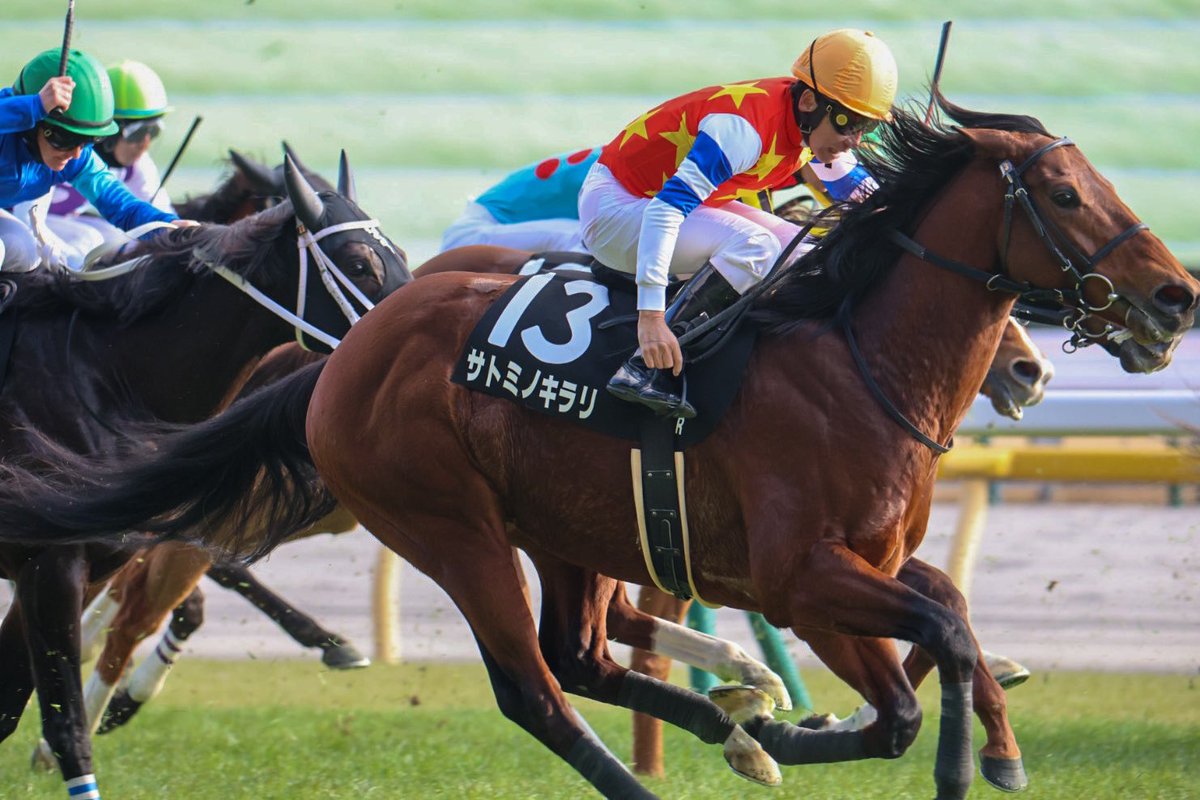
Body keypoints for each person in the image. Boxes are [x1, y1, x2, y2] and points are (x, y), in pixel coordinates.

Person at [577, 28, 898, 418]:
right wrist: (651, 315)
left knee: (806, 253)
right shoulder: (742, 131)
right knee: (756, 245)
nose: (855, 140)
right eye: (850, 123)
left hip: (659, 203)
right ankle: (645, 367)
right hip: (615, 206)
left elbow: (872, 201)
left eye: (868, 128)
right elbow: (666, 210)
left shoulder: (811, 123)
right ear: (811, 100)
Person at [0, 48, 187, 273]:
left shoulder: (76, 159)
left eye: (87, 140)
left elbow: (121, 206)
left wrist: (169, 227)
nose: (75, 153)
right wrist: (35, 106)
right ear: (31, 125)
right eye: (65, 139)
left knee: (25, 251)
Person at [45, 59, 175, 260]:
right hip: (19, 220)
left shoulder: (137, 165)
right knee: (89, 239)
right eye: (138, 133)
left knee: (121, 239)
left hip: (60, 224)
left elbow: (161, 213)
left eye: (154, 131)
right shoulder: (64, 152)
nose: (145, 144)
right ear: (110, 132)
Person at [440, 146, 600, 253]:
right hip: (473, 236)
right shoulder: (611, 166)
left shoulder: (611, 158)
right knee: (588, 238)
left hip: (481, 230)